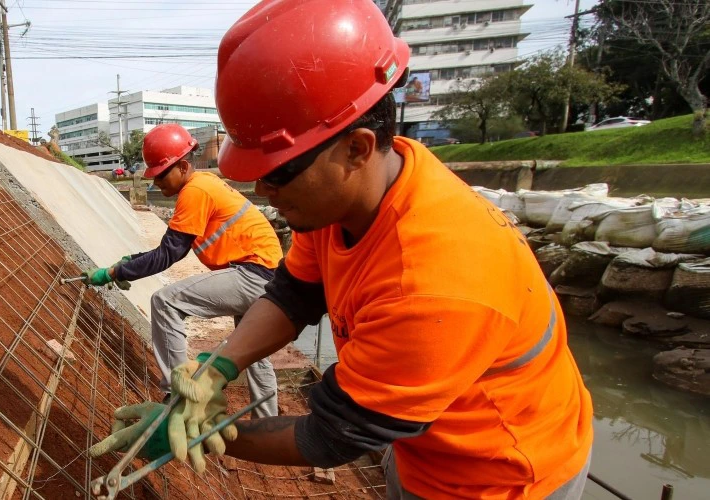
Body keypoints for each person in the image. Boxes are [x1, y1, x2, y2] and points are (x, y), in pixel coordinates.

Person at [91, 0, 594, 497]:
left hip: (501, 474)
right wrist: (221, 367)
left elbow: (334, 434)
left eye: (279, 171)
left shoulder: (435, 279)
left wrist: (203, 434)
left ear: (356, 147)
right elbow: (294, 295)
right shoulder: (347, 198)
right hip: (426, 438)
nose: (264, 191)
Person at [83, 122, 283, 419]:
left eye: (162, 174)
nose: (158, 183)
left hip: (253, 273)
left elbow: (168, 255)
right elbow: (173, 247)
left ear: (184, 167)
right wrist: (129, 264)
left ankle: (178, 394)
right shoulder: (203, 185)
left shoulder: (194, 191)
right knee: (252, 350)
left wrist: (117, 272)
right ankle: (268, 420)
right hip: (267, 274)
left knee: (165, 301)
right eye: (154, 176)